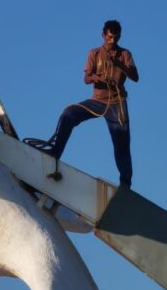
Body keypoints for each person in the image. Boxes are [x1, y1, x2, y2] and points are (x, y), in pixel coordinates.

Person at [29, 20, 139, 187]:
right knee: (68, 114)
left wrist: (119, 64)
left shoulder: (125, 54)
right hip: (97, 101)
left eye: (115, 39)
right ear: (103, 35)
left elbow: (135, 77)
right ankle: (55, 152)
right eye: (109, 38)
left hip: (117, 103)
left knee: (122, 144)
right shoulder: (94, 53)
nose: (112, 42)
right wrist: (95, 78)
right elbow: (86, 79)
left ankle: (125, 185)